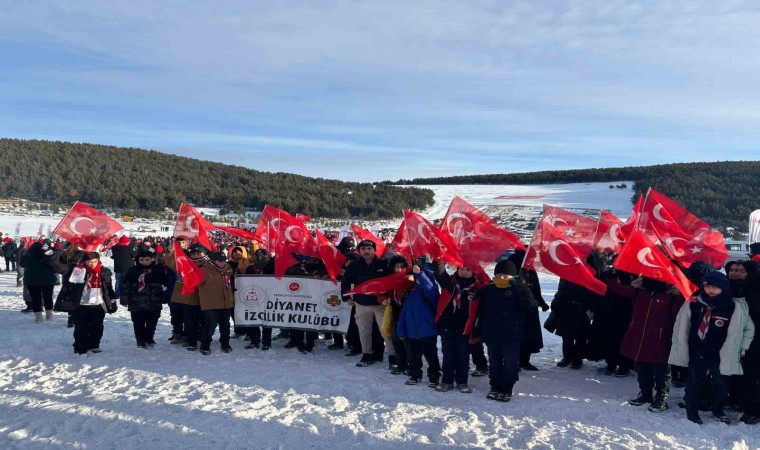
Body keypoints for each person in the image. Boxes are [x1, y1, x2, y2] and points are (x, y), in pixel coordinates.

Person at [669, 271, 755, 424]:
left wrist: (743, 348)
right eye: (707, 286)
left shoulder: (734, 306)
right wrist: (680, 345)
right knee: (694, 381)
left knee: (721, 384)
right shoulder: (693, 303)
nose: (710, 290)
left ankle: (718, 409)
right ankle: (692, 410)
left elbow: (749, 329)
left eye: (715, 287)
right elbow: (681, 326)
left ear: (723, 287)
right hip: (697, 350)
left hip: (721, 353)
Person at [607, 274, 683, 412]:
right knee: (642, 369)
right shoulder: (639, 291)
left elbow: (678, 319)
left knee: (662, 372)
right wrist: (609, 273)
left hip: (661, 340)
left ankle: (662, 397)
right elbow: (617, 288)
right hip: (639, 339)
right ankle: (646, 394)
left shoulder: (672, 297)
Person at [472, 259, 537, 402]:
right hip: (492, 333)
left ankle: (507, 387)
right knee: (494, 363)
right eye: (499, 274)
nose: (502, 277)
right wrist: (480, 330)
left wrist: (523, 288)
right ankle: (495, 386)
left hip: (512, 334)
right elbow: (481, 312)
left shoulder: (518, 290)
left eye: (506, 275)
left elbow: (531, 305)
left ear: (512, 276)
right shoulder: (488, 290)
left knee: (510, 363)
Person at [341, 239, 394, 367]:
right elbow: (346, 281)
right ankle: (366, 355)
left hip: (380, 305)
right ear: (359, 251)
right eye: (363, 249)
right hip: (361, 304)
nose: (366, 251)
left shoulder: (384, 264)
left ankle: (393, 357)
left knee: (386, 332)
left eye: (369, 249)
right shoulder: (355, 266)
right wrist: (346, 297)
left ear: (374, 250)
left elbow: (393, 280)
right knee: (364, 331)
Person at [433, 261, 480, 393]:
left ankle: (462, 382)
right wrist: (438, 257)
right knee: (448, 355)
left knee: (463, 356)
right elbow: (440, 273)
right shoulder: (450, 283)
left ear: (473, 272)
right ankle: (446, 381)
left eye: (468, 269)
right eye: (461, 269)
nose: (464, 272)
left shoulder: (477, 289)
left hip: (465, 329)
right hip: (448, 326)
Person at [62, 252, 118, 355]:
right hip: (81, 304)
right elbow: (61, 269)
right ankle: (80, 346)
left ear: (98, 261)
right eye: (89, 262)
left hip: (98, 304)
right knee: (80, 327)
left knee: (97, 326)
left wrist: (112, 300)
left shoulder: (104, 272)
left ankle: (94, 345)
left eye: (94, 262)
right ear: (84, 261)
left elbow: (109, 288)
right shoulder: (77, 271)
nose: (92, 264)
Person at [725, 260, 760, 424]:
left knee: (748, 376)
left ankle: (751, 410)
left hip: (753, 341)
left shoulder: (754, 291)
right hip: (732, 337)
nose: (736, 273)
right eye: (734, 270)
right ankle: (735, 400)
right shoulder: (729, 288)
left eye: (741, 271)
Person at [396, 261, 441, 387]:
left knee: (431, 354)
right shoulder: (412, 291)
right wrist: (401, 329)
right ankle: (415, 374)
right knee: (414, 356)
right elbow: (404, 312)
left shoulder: (432, 289)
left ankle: (434, 375)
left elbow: (429, 288)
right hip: (412, 331)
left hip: (428, 330)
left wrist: (420, 274)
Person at [508, 250, 550, 371]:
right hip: (515, 308)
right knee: (516, 335)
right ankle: (512, 361)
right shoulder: (514, 264)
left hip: (530, 307)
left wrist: (541, 302)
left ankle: (524, 361)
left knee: (529, 335)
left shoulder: (530, 268)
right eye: (531, 257)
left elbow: (535, 287)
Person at [121, 251, 169, 348]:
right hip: (137, 302)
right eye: (141, 260)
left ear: (152, 259)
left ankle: (150, 338)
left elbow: (165, 283)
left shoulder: (158, 270)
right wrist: (124, 299)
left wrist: (164, 296)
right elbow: (126, 286)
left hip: (154, 301)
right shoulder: (132, 270)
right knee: (138, 322)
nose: (144, 262)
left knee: (152, 322)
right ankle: (140, 340)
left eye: (147, 260)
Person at [197, 252, 235, 355]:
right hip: (210, 303)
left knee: (225, 325)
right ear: (213, 260)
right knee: (210, 325)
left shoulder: (228, 270)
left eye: (224, 260)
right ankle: (205, 345)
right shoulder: (204, 270)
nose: (222, 262)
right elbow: (197, 284)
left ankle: (225, 343)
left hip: (225, 302)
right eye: (220, 260)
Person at [20, 239, 65, 323]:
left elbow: (22, 264)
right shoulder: (46, 255)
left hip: (32, 280)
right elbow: (55, 261)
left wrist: (25, 254)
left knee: (35, 299)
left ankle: (38, 318)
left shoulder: (28, 255)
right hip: (47, 280)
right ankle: (49, 315)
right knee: (48, 297)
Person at [244, 249, 275, 350]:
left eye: (262, 255)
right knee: (253, 319)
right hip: (253, 297)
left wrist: (269, 263)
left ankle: (267, 342)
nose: (260, 257)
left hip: (268, 297)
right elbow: (244, 281)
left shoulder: (271, 267)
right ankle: (255, 341)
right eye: (257, 255)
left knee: (266, 320)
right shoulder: (250, 268)